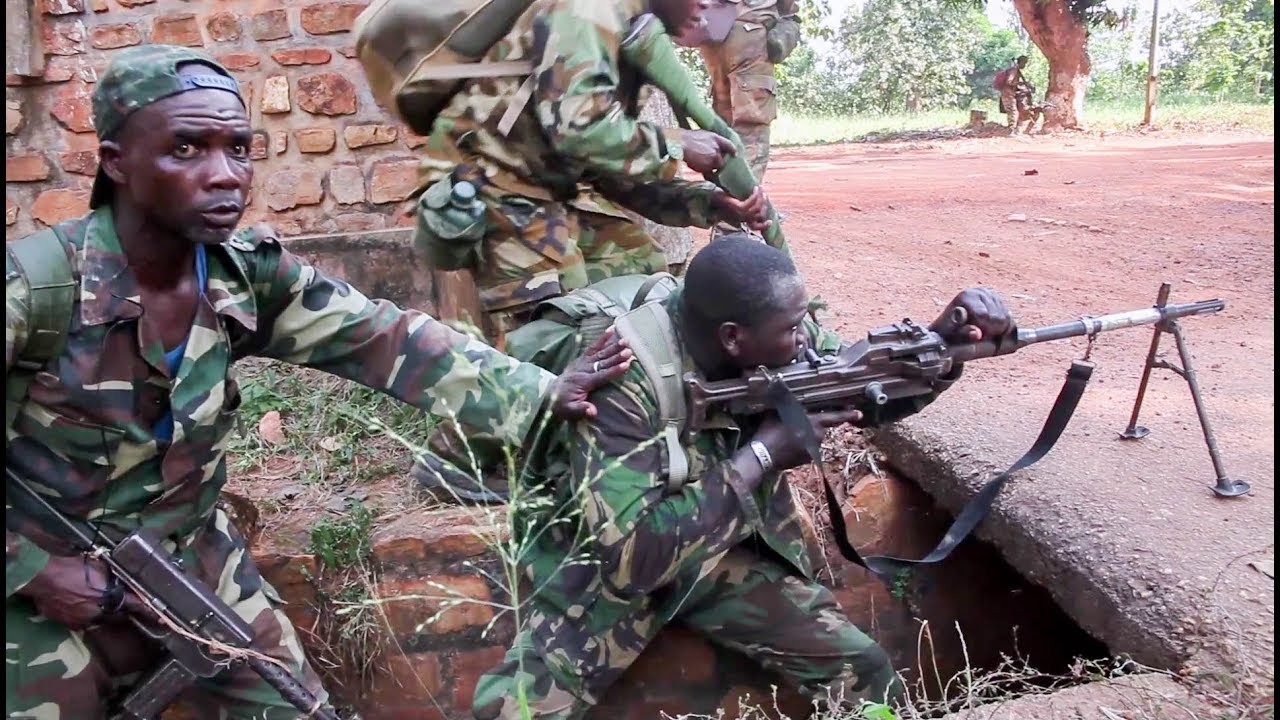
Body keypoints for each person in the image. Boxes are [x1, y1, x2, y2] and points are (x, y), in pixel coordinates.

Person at [4, 45, 632, 720]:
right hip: (40, 571)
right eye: (186, 149)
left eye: (238, 149)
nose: (225, 176)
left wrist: (541, 393)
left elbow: (385, 338)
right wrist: (34, 572)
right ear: (116, 161)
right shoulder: (35, 290)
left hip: (189, 562)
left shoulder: (244, 276)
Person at [468, 237, 1014, 718]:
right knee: (513, 709)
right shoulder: (625, 381)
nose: (805, 339)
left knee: (863, 667)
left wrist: (937, 350)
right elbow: (631, 560)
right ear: (733, 338)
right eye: (793, 329)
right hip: (611, 569)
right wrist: (763, 454)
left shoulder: (774, 330)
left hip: (722, 550)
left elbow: (852, 385)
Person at [412, 0, 771, 350]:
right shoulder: (589, 10)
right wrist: (675, 143)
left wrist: (708, 203)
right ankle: (532, 376)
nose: (707, 8)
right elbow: (577, 131)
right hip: (489, 183)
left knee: (638, 263)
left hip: (550, 183)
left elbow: (606, 166)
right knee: (559, 325)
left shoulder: (634, 29)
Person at [694, 0, 801, 240]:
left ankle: (726, 213)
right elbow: (788, 9)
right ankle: (732, 228)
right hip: (749, 35)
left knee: (727, 132)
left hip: (713, 33)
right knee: (751, 133)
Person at [999, 55, 1037, 135]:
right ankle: (1011, 131)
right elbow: (1009, 81)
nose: (1024, 65)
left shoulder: (1016, 70)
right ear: (1021, 62)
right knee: (1013, 112)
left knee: (1017, 111)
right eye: (1024, 63)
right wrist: (1020, 83)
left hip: (1010, 93)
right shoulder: (1014, 70)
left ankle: (1016, 130)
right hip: (1008, 94)